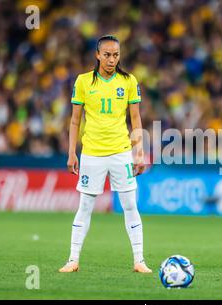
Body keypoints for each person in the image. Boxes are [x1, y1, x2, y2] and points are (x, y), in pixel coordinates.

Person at [59, 35, 152, 273]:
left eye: (116, 55)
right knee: (86, 206)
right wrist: (72, 153)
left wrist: (139, 152)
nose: (112, 59)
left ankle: (139, 261)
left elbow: (136, 119)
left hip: (121, 152)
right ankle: (73, 259)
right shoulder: (82, 82)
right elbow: (74, 121)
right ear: (98, 55)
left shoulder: (129, 81)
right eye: (107, 54)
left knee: (130, 205)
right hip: (92, 154)